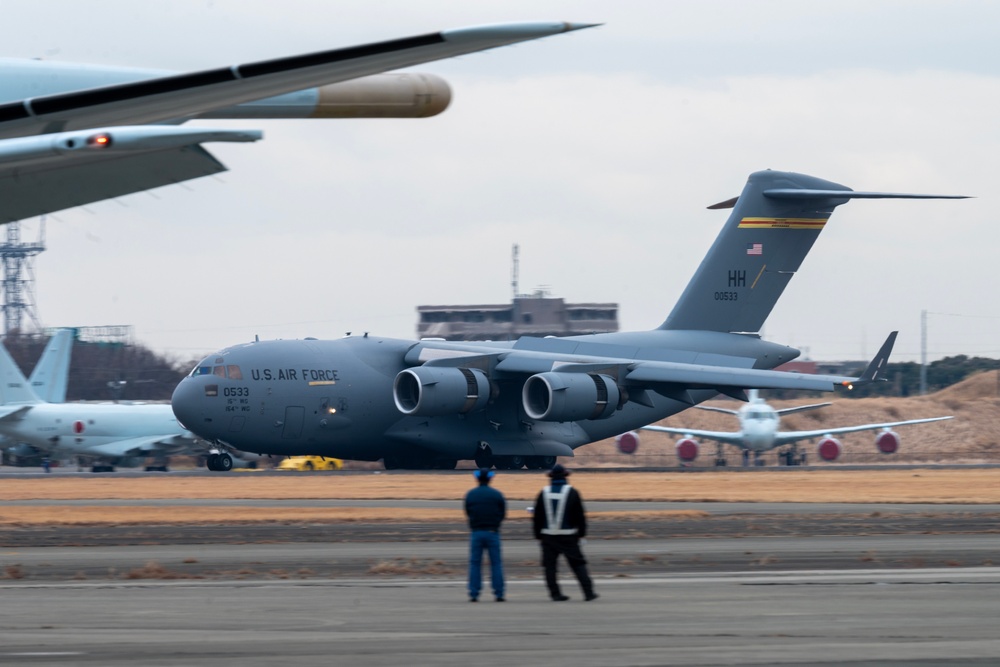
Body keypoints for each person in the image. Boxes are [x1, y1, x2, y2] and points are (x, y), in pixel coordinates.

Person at [532, 464, 598, 602]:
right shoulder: (572, 492)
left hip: (548, 536)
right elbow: (580, 515)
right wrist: (581, 533)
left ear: (551, 477)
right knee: (578, 564)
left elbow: (537, 517)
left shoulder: (543, 492)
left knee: (550, 567)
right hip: (568, 535)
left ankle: (555, 594)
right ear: (565, 476)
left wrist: (538, 535)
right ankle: (588, 592)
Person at [463, 467, 506, 602]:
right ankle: (499, 593)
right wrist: (496, 524)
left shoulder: (471, 494)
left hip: (477, 532)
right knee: (496, 563)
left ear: (477, 478)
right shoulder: (497, 494)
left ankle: (474, 593)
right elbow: (502, 513)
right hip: (492, 532)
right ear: (490, 478)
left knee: (475, 563)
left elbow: (468, 511)